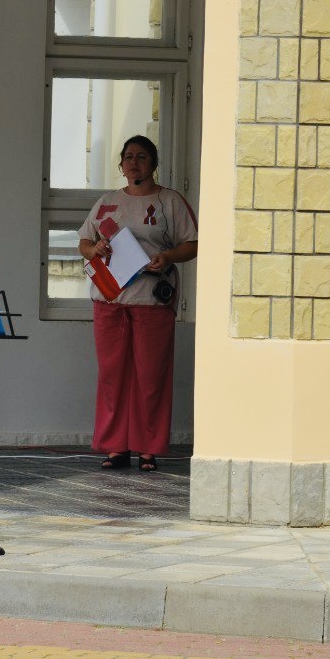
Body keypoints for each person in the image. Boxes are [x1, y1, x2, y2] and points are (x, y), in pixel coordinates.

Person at [78, 135, 197, 473]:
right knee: (112, 374)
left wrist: (168, 256)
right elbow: (84, 241)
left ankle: (148, 448)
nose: (134, 162)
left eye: (142, 156)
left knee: (150, 375)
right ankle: (116, 446)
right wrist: (94, 249)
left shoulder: (169, 201)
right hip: (110, 299)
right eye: (128, 156)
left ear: (153, 164)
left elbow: (192, 244)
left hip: (151, 300)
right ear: (121, 165)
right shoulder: (107, 202)